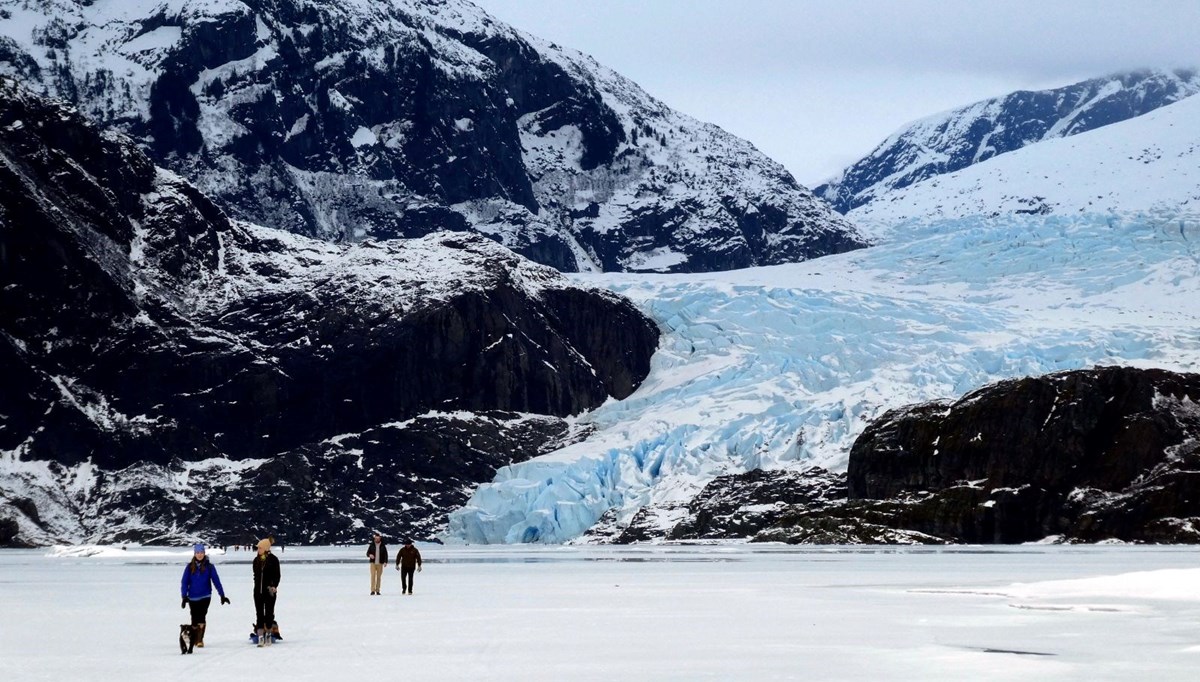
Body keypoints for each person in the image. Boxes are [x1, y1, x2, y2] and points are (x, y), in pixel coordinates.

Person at [179, 543, 230, 648]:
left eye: (201, 552)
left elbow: (216, 581)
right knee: (194, 618)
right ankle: (194, 638)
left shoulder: (209, 567)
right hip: (192, 597)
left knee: (201, 617)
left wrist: (222, 595)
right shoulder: (189, 567)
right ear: (194, 554)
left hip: (205, 596)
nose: (200, 555)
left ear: (204, 553)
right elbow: (184, 582)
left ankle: (200, 640)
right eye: (197, 553)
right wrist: (184, 596)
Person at [252, 538, 281, 647]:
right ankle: (260, 637)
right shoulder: (256, 560)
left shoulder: (274, 560)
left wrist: (274, 586)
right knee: (259, 614)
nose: (258, 549)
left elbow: (277, 575)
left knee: (269, 614)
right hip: (257, 592)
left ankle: (268, 634)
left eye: (260, 548)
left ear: (265, 548)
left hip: (269, 592)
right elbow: (255, 576)